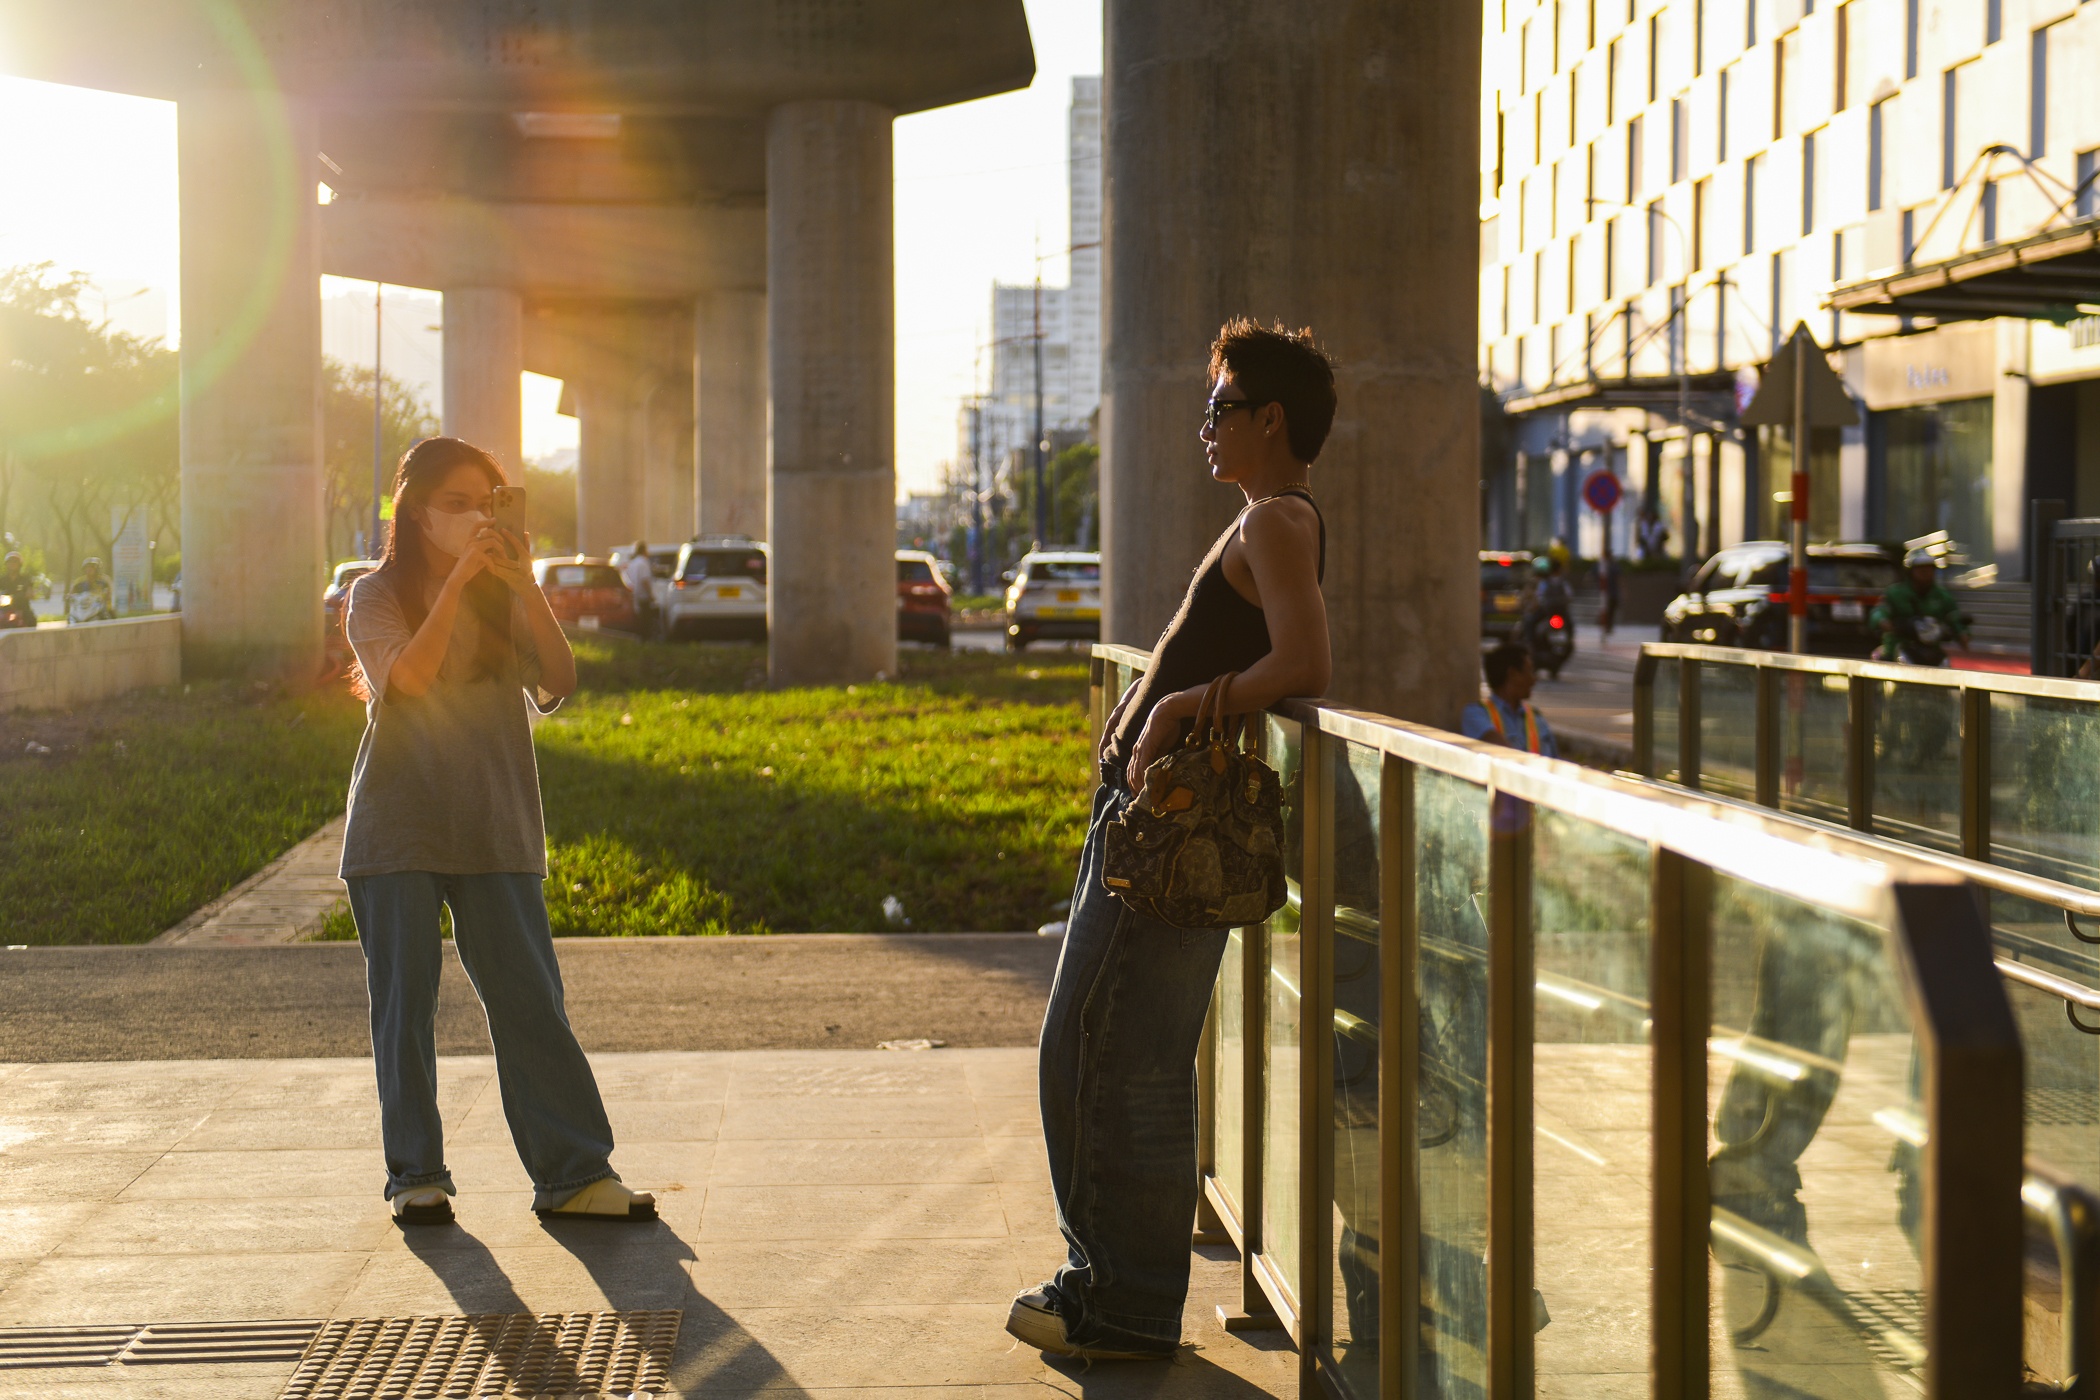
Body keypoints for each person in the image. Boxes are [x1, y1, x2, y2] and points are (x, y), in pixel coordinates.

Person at [1011, 319, 1333, 1362]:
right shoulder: (1262, 517)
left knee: (1105, 1052)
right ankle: (1120, 1288)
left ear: (1269, 418)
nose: (1206, 425)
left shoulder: (1278, 519)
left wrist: (1190, 699)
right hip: (1147, 821)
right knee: (1117, 1052)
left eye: (1220, 407)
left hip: (1167, 830)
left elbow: (1308, 657)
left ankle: (1119, 1298)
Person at [341, 437, 654, 1227]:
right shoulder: (371, 595)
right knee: (404, 1007)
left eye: (489, 501)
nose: (477, 516)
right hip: (398, 825)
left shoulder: (505, 592)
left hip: (496, 818)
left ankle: (576, 1174)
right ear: (416, 514)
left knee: (530, 1002)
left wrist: (523, 586)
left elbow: (559, 679)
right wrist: (456, 587)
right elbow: (404, 679)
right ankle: (416, 1174)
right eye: (458, 504)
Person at [1462, 642, 1560, 758]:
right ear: (1512, 674)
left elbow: (1556, 761)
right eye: (1529, 671)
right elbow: (1499, 747)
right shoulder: (1476, 714)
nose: (1533, 680)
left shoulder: (1537, 718)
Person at [1873, 548, 1970, 662]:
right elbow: (1879, 611)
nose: (1925, 573)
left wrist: (1962, 633)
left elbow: (1954, 617)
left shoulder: (1942, 596)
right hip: (1898, 647)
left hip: (1931, 648)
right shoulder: (1895, 593)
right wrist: (1883, 621)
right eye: (1920, 569)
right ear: (1910, 572)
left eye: (1929, 569)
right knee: (1887, 660)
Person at [622, 540, 655, 636]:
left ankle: (638, 639)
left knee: (638, 620)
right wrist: (651, 594)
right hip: (643, 597)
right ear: (644, 550)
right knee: (646, 621)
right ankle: (645, 640)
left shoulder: (632, 563)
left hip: (634, 595)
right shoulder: (643, 563)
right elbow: (645, 580)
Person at [68, 557, 112, 623]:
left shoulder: (104, 580)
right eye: (87, 568)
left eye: (92, 568)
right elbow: (72, 593)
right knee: (71, 617)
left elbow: (108, 592)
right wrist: (69, 596)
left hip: (98, 606)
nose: (89, 570)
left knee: (108, 615)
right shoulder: (79, 581)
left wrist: (106, 595)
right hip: (84, 606)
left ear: (97, 569)